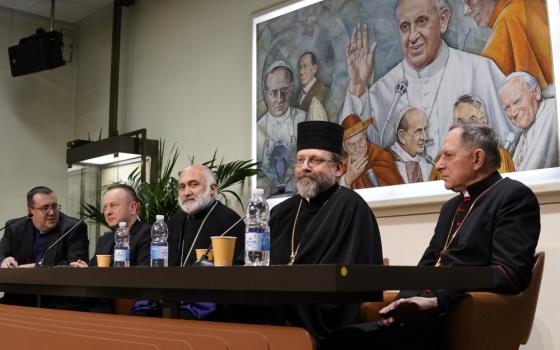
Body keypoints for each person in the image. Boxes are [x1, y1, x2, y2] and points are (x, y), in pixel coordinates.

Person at [328, 123, 540, 349]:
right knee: (340, 338)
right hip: (421, 319)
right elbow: (428, 264)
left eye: (448, 155)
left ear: (477, 159)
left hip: (455, 319)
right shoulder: (451, 207)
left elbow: (508, 274)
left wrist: (437, 300)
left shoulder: (512, 197)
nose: (439, 165)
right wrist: (402, 302)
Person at [340, 0, 511, 160]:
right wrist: (358, 85)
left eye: (421, 21)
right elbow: (361, 154)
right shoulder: (384, 88)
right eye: (405, 27)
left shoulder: (479, 70)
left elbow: (509, 143)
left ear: (443, 20)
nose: (413, 36)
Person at [269, 120, 383, 347]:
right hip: (278, 307)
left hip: (323, 319)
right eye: (300, 160)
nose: (305, 167)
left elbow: (346, 280)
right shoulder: (281, 211)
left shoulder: (350, 206)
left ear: (339, 168)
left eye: (316, 160)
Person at [166, 164, 245, 319]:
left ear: (213, 189)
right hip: (175, 301)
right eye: (182, 187)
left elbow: (235, 277)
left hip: (210, 307)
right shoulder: (175, 221)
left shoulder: (230, 221)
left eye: (193, 185)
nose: (186, 192)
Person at [0, 186, 88, 305]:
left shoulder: (73, 227)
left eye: (54, 207)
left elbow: (77, 266)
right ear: (30, 211)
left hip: (57, 300)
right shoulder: (14, 227)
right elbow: (1, 255)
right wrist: (4, 261)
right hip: (18, 297)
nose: (52, 212)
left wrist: (39, 267)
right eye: (45, 208)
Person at [463, 0, 552, 90]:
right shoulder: (529, 5)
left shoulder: (511, 16)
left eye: (469, 1)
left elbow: (483, 84)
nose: (465, 11)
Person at [431, 94, 515, 179]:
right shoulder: (442, 160)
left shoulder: (501, 155)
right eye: (460, 121)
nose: (467, 126)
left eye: (472, 119)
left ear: (484, 121)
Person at [71, 183, 151, 268]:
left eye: (113, 205)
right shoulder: (104, 240)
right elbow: (94, 269)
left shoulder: (147, 234)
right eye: (105, 207)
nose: (108, 212)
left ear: (132, 208)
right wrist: (85, 270)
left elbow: (145, 274)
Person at [499, 71, 558, 170]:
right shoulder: (525, 132)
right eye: (507, 108)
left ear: (536, 92)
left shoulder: (553, 111)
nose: (513, 113)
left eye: (517, 101)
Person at [340, 114, 404, 188]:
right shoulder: (340, 166)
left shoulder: (381, 156)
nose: (358, 148)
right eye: (352, 144)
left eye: (360, 140)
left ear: (365, 137)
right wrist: (347, 180)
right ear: (344, 148)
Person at [388, 107, 433, 183]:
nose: (425, 137)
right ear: (402, 136)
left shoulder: (426, 162)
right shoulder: (387, 163)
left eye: (425, 129)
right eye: (418, 131)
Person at [296, 52, 330, 119]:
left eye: (305, 66)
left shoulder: (324, 92)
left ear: (314, 68)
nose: (301, 72)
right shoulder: (299, 95)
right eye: (300, 67)